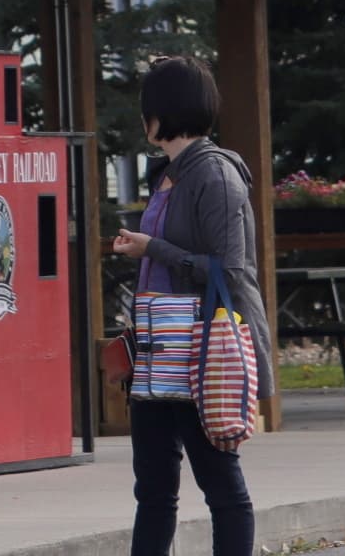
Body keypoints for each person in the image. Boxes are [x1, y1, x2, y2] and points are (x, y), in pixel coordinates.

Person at [107, 55, 274, 556]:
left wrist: (150, 247)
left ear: (159, 115)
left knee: (221, 487)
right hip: (160, 352)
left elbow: (228, 268)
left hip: (203, 349)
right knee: (153, 491)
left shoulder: (214, 175)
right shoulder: (170, 174)